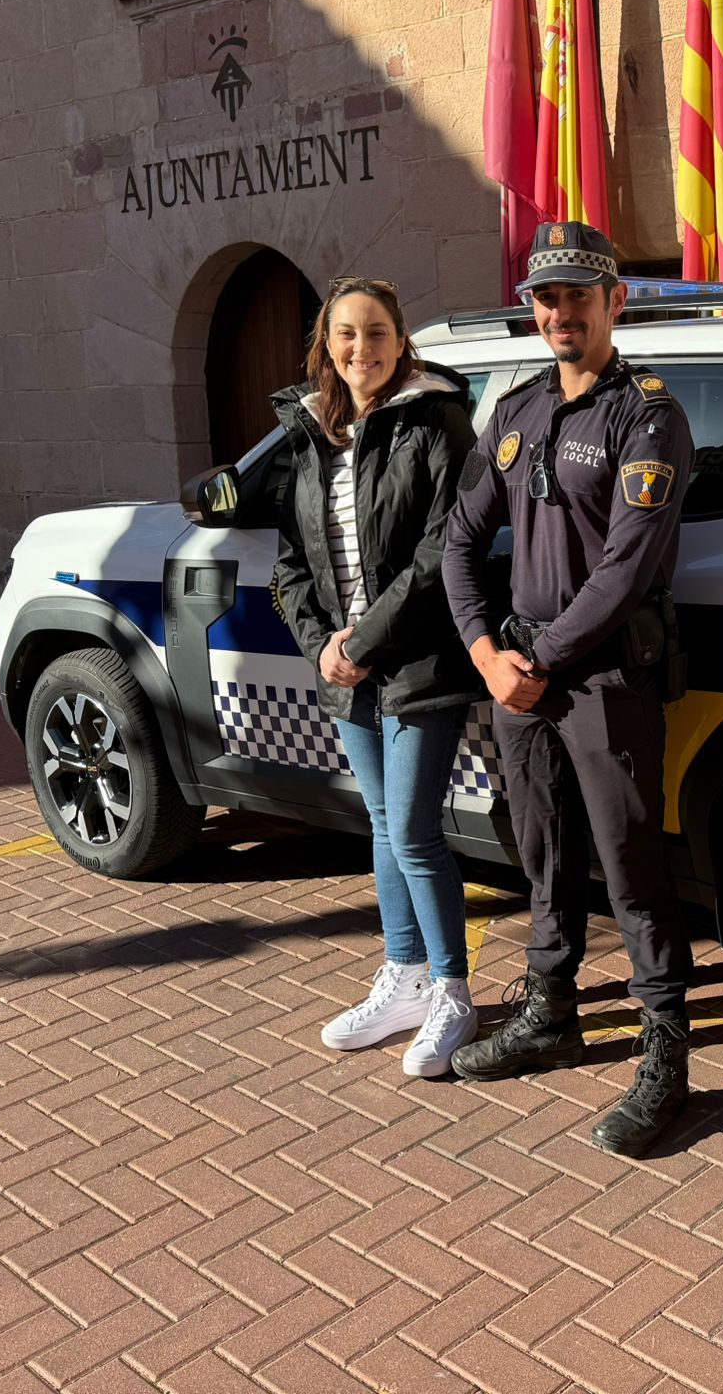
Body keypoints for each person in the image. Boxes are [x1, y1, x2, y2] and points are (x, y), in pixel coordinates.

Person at [441, 222, 698, 1157]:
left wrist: (537, 659)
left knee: (630, 864)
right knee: (540, 850)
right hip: (519, 678)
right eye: (545, 298)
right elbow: (459, 543)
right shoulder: (513, 413)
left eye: (577, 296)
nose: (559, 313)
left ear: (614, 301)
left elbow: (626, 569)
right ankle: (552, 1014)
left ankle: (666, 1050)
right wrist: (484, 654)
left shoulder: (648, 416)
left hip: (603, 678)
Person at [270, 277, 483, 1078]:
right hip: (346, 669)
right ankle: (403, 978)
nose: (363, 349)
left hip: (419, 657)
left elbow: (442, 552)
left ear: (402, 342)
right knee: (385, 827)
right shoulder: (311, 431)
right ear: (327, 344)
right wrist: (321, 644)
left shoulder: (438, 421)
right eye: (347, 335)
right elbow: (289, 563)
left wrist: (364, 639)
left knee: (418, 833)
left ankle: (453, 991)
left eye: (379, 333)